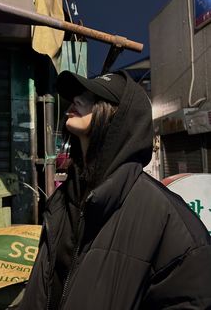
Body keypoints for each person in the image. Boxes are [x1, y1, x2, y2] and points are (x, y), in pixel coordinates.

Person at [18, 70, 211, 309]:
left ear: (121, 118)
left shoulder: (171, 222)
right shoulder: (62, 202)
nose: (77, 99)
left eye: (93, 96)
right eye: (78, 94)